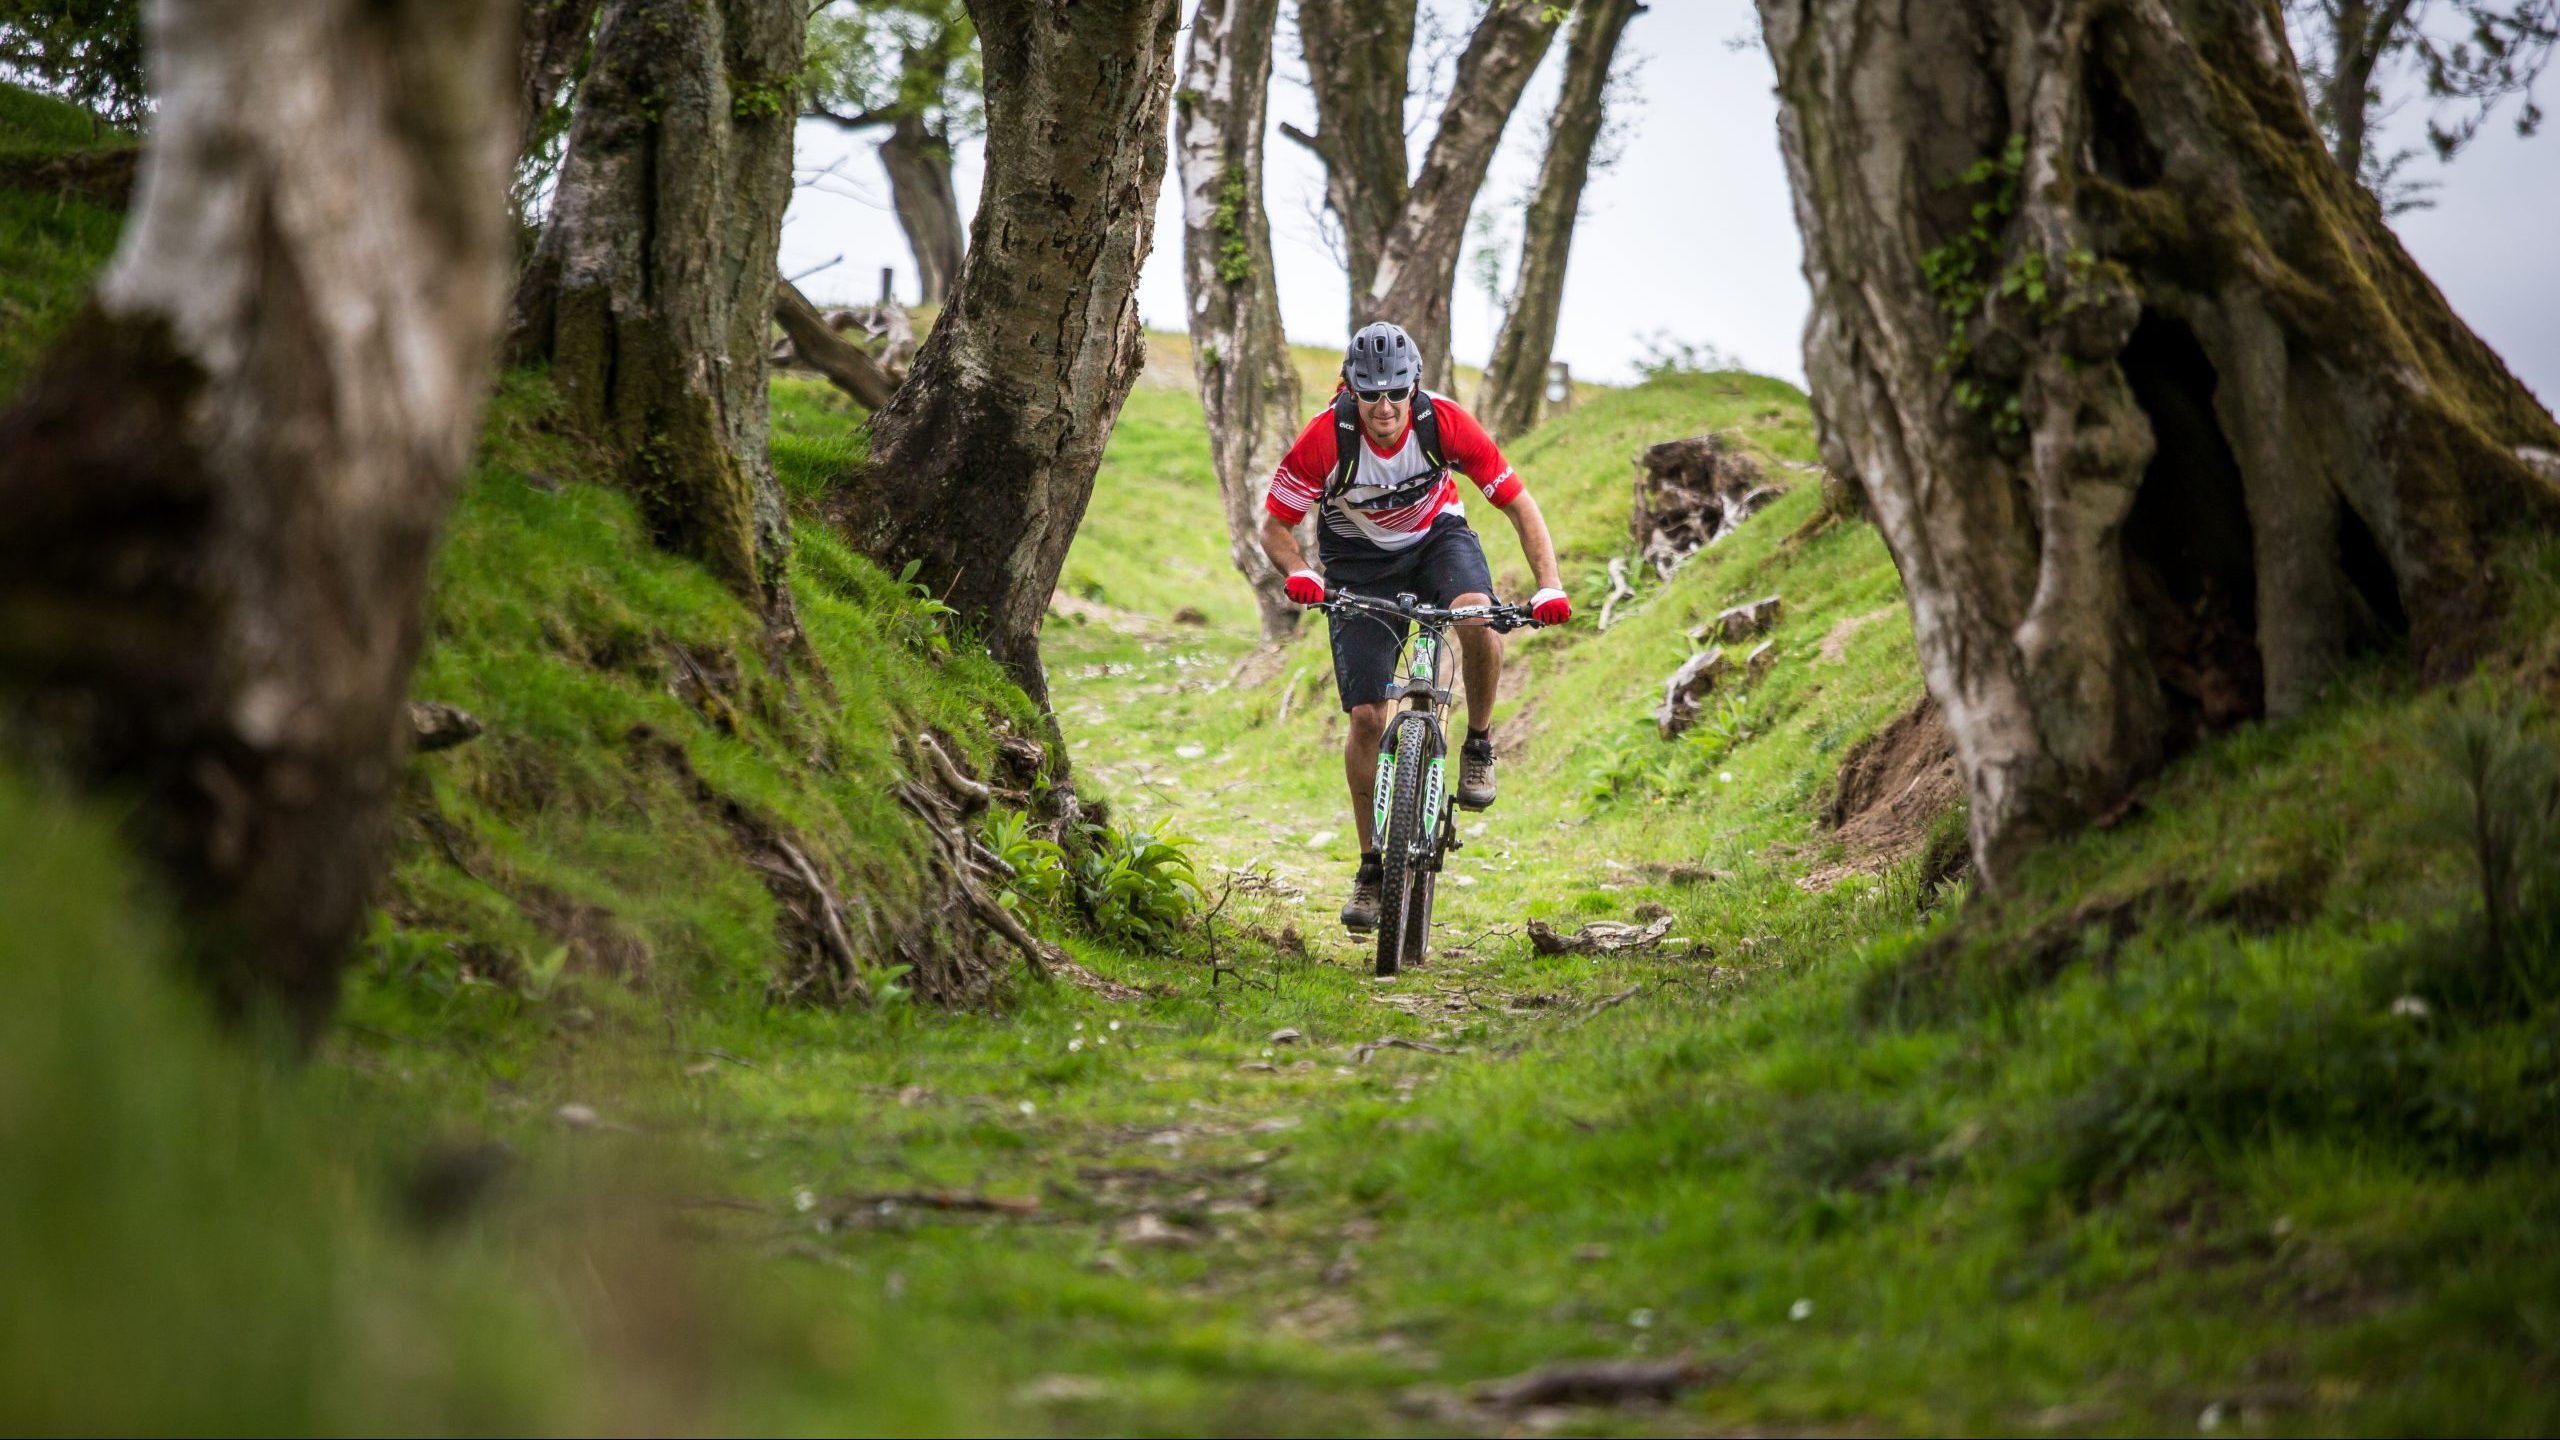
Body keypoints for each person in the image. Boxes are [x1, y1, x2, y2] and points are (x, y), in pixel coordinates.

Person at [1259, 320, 1571, 933]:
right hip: (1355, 563)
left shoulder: (1445, 424)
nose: (1383, 406)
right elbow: (1274, 526)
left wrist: (1549, 584)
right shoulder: (1327, 439)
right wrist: (1299, 571)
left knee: (1479, 616)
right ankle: (1372, 867)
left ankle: (1478, 743)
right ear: (1349, 388)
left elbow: (1518, 504)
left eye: (1395, 393)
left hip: (1437, 540)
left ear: (1414, 388)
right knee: (1368, 717)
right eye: (1369, 392)